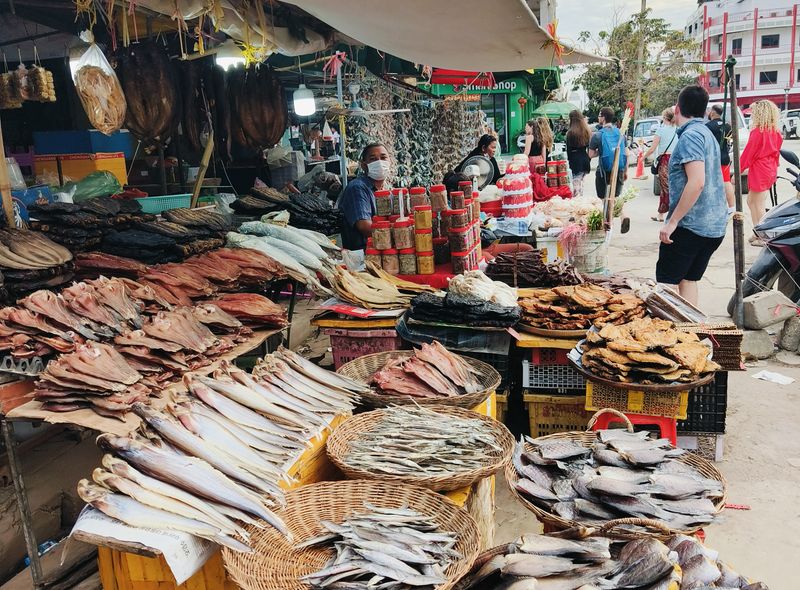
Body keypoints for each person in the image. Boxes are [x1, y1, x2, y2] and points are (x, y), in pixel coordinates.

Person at [656, 85, 727, 307]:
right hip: (713, 226)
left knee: (666, 285)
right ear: (705, 111)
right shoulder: (707, 133)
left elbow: (697, 183)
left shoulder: (692, 136)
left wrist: (673, 221)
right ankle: (691, 335)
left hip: (692, 226)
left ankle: (672, 337)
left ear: (677, 109)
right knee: (688, 280)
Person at [740, 99, 783, 244]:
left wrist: (738, 170)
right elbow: (777, 153)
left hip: (760, 169)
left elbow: (748, 153)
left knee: (756, 204)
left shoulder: (758, 132)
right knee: (753, 201)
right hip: (769, 168)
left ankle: (763, 236)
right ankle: (758, 232)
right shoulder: (775, 132)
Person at [336, 142, 391, 251]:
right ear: (364, 165)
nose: (379, 162)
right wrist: (398, 233)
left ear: (390, 162)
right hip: (363, 254)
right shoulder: (358, 188)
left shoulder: (383, 190)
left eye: (383, 157)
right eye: (373, 159)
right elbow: (364, 226)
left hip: (380, 248)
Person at [644, 108, 678, 222]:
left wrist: (643, 157)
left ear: (664, 118)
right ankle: (675, 213)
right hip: (677, 160)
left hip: (665, 161)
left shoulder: (660, 130)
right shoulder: (678, 129)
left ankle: (661, 215)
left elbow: (652, 148)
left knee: (665, 188)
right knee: (676, 187)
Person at [588, 107, 627, 199]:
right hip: (618, 168)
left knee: (603, 197)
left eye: (599, 115)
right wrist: (625, 170)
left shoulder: (597, 135)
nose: (598, 118)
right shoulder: (621, 133)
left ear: (603, 118)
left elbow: (590, 154)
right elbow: (626, 153)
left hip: (603, 170)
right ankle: (615, 212)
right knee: (616, 197)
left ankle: (606, 211)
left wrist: (601, 151)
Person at [705, 104, 735, 213]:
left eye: (709, 111)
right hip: (725, 157)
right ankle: (732, 207)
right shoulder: (727, 126)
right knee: (726, 182)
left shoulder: (708, 126)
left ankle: (714, 207)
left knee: (711, 183)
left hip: (712, 159)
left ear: (713, 112)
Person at [565, 110, 592, 197]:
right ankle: (580, 201)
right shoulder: (587, 131)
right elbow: (590, 148)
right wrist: (588, 159)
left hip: (574, 161)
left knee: (575, 185)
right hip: (584, 159)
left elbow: (568, 151)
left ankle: (578, 203)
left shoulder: (570, 133)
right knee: (581, 183)